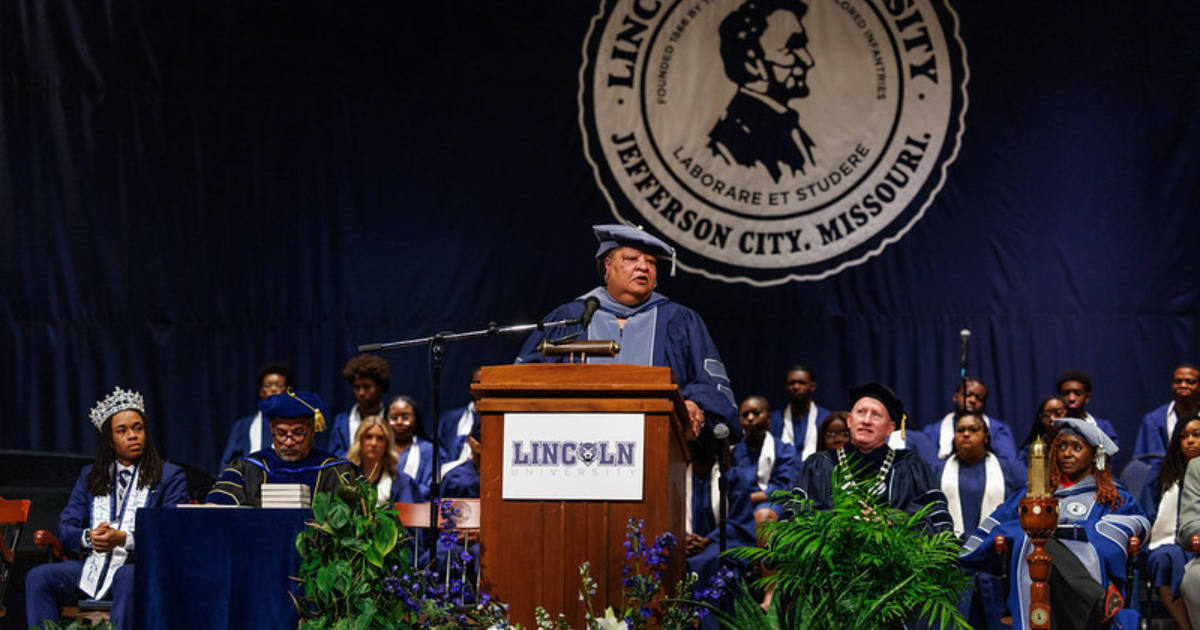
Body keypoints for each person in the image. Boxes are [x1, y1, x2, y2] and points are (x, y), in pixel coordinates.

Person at [516, 224, 739, 451]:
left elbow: (711, 386)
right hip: (572, 452)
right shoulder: (572, 318)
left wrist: (692, 404)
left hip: (658, 452)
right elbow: (524, 381)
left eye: (651, 262)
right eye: (632, 259)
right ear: (608, 265)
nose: (643, 267)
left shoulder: (680, 321)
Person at [960, 418, 1149, 630]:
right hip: (1034, 561)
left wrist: (1082, 531)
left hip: (1086, 559)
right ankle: (1098, 599)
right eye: (1061, 447)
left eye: (1077, 447)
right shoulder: (1035, 492)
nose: (1067, 454)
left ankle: (1094, 596)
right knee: (1031, 536)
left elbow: (1136, 524)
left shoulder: (1110, 495)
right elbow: (996, 522)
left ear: (1096, 455)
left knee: (1032, 535)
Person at [25, 387, 190, 629]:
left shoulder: (168, 475)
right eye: (122, 431)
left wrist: (123, 539)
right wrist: (89, 538)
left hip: (141, 567)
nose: (132, 435)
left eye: (138, 428)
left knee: (126, 576)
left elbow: (174, 532)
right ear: (110, 441)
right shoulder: (92, 476)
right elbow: (65, 528)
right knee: (38, 578)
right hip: (93, 566)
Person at [789, 383, 952, 535]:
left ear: (890, 429)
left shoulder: (910, 466)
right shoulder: (819, 465)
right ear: (850, 421)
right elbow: (796, 518)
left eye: (876, 415)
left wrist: (889, 522)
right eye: (860, 412)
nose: (866, 421)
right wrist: (838, 522)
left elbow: (933, 521)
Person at [933, 412, 1025, 630]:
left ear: (986, 436)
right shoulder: (936, 471)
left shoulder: (1009, 469)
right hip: (952, 566)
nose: (966, 434)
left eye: (973, 430)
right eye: (960, 430)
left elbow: (1026, 509)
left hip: (997, 566)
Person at [708, 0, 817, 183]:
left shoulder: (786, 123)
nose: (808, 60)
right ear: (752, 64)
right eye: (791, 47)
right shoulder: (731, 142)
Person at [206, 390, 361, 506]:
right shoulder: (245, 470)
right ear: (272, 429)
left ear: (312, 430)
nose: (288, 442)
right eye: (281, 433)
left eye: (298, 433)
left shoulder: (337, 472)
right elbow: (217, 511)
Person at [1142, 413, 1200, 630]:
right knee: (1164, 559)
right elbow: (1147, 512)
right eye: (1184, 436)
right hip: (1163, 542)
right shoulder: (1162, 474)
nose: (1190, 441)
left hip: (1194, 541)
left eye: (1197, 435)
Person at [732, 395, 797, 525]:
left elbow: (782, 489)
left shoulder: (784, 450)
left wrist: (747, 499)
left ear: (768, 418)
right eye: (745, 415)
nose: (750, 418)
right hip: (737, 504)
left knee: (763, 516)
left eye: (756, 413)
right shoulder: (732, 452)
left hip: (771, 503)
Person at [217, 362, 292, 471]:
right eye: (268, 386)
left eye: (279, 385)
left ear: (288, 391)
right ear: (261, 392)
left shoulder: (298, 426)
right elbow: (228, 464)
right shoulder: (244, 426)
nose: (273, 390)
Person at [922, 378, 1018, 462]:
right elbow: (927, 465)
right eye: (968, 395)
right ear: (955, 397)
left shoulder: (999, 429)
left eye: (979, 398)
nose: (973, 400)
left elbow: (1007, 463)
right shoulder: (932, 431)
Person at [328, 354, 391, 457]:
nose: (361, 393)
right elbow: (335, 456)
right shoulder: (342, 422)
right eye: (357, 387)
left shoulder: (392, 419)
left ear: (380, 386)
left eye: (366, 387)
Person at [1135, 364, 1200, 459]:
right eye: (1178, 381)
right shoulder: (1154, 420)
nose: (1183, 385)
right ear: (1172, 385)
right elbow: (1151, 462)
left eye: (1190, 381)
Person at [767, 365, 830, 462]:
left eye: (801, 383)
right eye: (792, 383)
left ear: (812, 386)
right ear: (785, 386)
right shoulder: (774, 420)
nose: (796, 387)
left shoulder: (826, 419)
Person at [346, 415, 404, 508]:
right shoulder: (346, 478)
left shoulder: (400, 482)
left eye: (380, 438)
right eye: (368, 437)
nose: (374, 443)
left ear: (387, 444)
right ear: (360, 441)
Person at [386, 395, 433, 502]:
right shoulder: (380, 448)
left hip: (416, 509)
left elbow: (429, 488)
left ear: (416, 420)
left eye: (405, 417)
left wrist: (403, 494)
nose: (399, 422)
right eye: (394, 418)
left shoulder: (429, 450)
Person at [1057, 370, 1121, 447]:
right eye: (1066, 393)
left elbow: (1110, 454)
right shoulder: (1053, 426)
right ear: (1059, 397)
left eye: (1077, 393)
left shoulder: (1103, 427)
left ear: (1087, 397)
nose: (1071, 398)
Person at [1017, 395, 1069, 464]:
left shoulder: (1077, 445)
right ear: (1041, 418)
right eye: (1047, 415)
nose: (1052, 418)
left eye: (1058, 414)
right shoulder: (1030, 450)